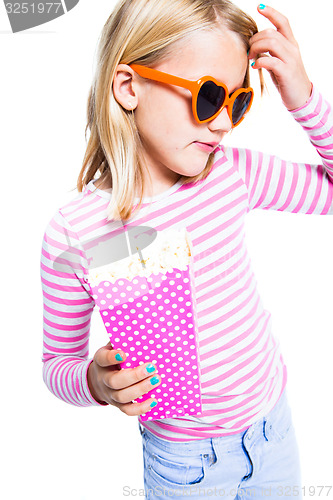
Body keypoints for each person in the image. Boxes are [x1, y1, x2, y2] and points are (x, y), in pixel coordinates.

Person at [40, 1, 333, 498]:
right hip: (186, 465)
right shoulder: (75, 232)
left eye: (237, 102)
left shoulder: (231, 172)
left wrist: (303, 98)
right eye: (208, 96)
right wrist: (96, 382)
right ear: (129, 86)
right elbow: (56, 366)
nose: (223, 124)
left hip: (272, 431)